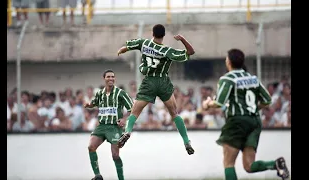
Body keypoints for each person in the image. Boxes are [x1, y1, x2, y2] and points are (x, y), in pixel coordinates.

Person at [202, 49, 289, 180]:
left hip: (237, 122)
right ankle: (275, 164)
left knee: (228, 163)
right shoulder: (253, 79)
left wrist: (207, 104)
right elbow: (267, 100)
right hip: (254, 122)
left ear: (229, 61)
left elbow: (219, 103)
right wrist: (253, 109)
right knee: (249, 165)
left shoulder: (227, 79)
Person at [116, 24, 195, 155]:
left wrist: (121, 50)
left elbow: (128, 46)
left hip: (149, 81)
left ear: (152, 33)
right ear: (163, 36)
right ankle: (186, 141)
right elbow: (190, 52)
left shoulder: (144, 43)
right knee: (174, 113)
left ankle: (128, 132)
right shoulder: (167, 51)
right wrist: (182, 40)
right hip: (163, 82)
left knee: (135, 112)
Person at [84, 69, 134, 180]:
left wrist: (125, 119)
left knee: (115, 155)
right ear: (104, 79)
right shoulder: (100, 93)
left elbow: (132, 108)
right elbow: (94, 103)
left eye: (112, 77)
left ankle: (121, 179)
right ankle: (97, 175)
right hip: (102, 126)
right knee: (91, 147)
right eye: (108, 77)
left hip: (114, 127)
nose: (111, 78)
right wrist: (89, 105)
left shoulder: (120, 93)